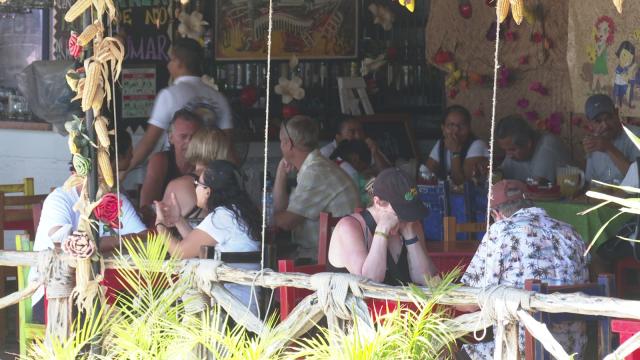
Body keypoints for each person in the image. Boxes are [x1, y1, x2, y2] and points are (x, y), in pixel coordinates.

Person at [460, 180, 589, 359]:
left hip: (523, 350)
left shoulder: (500, 231)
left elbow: (469, 304)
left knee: (455, 351)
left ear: (495, 214)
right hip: (573, 350)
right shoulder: (571, 232)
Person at [29, 130, 147, 323]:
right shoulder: (60, 199)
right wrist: (109, 243)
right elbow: (62, 244)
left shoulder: (116, 199)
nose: (118, 178)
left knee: (143, 312)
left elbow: (144, 237)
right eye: (118, 170)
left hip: (103, 289)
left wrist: (101, 243)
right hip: (56, 292)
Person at [154, 160, 261, 314]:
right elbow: (197, 247)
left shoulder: (221, 217)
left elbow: (179, 252)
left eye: (197, 183)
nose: (195, 187)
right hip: (245, 305)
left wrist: (159, 225)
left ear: (208, 191)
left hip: (228, 308)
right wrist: (178, 220)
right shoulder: (236, 213)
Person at [123, 38, 233, 180]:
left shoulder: (169, 95)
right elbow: (228, 144)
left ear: (178, 62)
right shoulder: (218, 98)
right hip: (213, 176)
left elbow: (148, 143)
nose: (168, 65)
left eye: (170, 60)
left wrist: (124, 171)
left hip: (177, 174)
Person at [328, 167, 437, 285]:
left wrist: (410, 234)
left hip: (402, 303)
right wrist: (381, 230)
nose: (407, 216)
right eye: (402, 210)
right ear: (378, 203)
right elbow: (369, 283)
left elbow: (428, 281)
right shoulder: (349, 228)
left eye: (410, 210)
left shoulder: (411, 223)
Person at [274, 115, 360, 261]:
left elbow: (286, 222)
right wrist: (281, 172)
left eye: (281, 141)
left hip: (331, 261)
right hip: (336, 254)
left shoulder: (315, 172)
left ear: (288, 144)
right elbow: (280, 210)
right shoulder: (316, 165)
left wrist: (257, 218)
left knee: (268, 264)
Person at [161, 127, 234, 228]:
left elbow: (163, 226)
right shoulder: (233, 183)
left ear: (193, 147)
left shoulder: (177, 185)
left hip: (183, 242)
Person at [139, 108, 204, 218]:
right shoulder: (160, 161)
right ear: (171, 138)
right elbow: (146, 207)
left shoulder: (206, 165)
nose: (189, 142)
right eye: (183, 136)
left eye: (194, 137)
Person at [583, 94, 640, 186]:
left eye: (609, 118)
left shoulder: (635, 135)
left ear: (616, 113)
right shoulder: (593, 142)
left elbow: (638, 179)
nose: (605, 125)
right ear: (590, 124)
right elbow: (590, 182)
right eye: (598, 121)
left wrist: (608, 148)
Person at [497, 115, 570, 184]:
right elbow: (501, 176)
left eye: (512, 150)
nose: (508, 155)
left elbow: (538, 188)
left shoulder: (547, 146)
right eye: (505, 150)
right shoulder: (514, 151)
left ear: (528, 143)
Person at [426, 105, 489, 185]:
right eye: (451, 125)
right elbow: (426, 174)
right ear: (443, 128)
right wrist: (410, 196)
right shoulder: (441, 144)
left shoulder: (478, 145)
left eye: (462, 125)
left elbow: (462, 184)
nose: (456, 131)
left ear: (469, 127)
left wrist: (455, 152)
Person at [320, 117, 391, 173]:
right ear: (338, 137)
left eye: (360, 131)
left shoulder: (368, 146)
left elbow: (388, 174)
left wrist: (375, 152)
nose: (358, 136)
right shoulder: (325, 153)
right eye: (352, 132)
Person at [329, 139, 373, 206]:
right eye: (363, 168)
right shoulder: (352, 173)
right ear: (355, 158)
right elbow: (356, 203)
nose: (362, 172)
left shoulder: (329, 163)